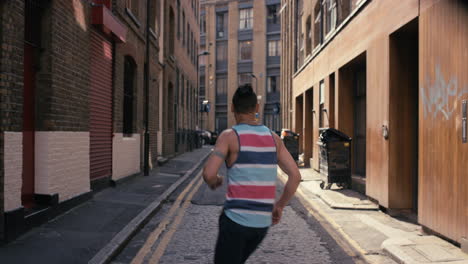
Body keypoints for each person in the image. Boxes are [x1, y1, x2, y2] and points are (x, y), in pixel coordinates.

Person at [202, 84, 301, 264]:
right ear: (257, 108)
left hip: (235, 222)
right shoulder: (274, 139)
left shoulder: (229, 136)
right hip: (261, 226)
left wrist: (215, 180)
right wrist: (279, 206)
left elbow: (209, 173)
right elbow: (295, 176)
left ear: (232, 108)